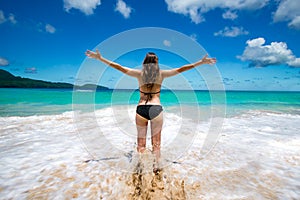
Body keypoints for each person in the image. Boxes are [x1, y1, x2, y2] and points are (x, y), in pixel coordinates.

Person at [85, 50, 216, 173]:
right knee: (156, 145)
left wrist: (100, 58)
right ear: (156, 62)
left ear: (145, 62)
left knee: (141, 145)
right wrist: (201, 62)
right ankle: (156, 170)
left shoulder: (138, 74)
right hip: (156, 108)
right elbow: (182, 69)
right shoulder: (162, 74)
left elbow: (119, 67)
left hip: (141, 108)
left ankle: (139, 170)